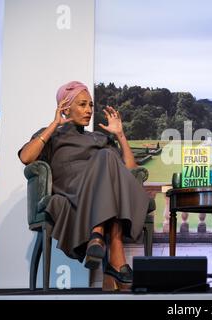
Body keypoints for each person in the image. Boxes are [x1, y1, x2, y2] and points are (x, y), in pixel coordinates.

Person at [18, 81, 150, 291]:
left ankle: (98, 239)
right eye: (82, 104)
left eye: (90, 105)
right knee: (107, 158)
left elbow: (131, 172)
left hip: (101, 189)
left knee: (108, 159)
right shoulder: (53, 134)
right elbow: (26, 157)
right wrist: (54, 125)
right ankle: (115, 258)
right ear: (65, 107)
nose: (89, 110)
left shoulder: (98, 137)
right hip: (71, 187)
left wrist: (120, 135)